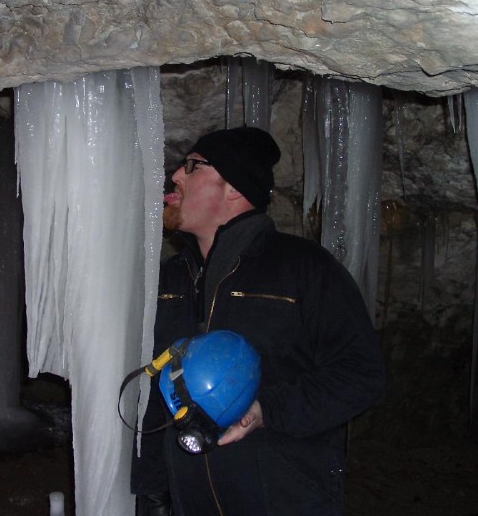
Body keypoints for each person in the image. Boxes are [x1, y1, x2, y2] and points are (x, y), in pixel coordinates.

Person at [131, 126, 386, 516]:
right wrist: (153, 493)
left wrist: (267, 410)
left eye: (192, 167)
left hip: (281, 495)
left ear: (232, 188)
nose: (176, 176)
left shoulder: (304, 269)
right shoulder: (169, 279)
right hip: (190, 496)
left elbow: (361, 374)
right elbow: (157, 393)